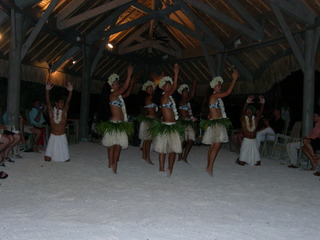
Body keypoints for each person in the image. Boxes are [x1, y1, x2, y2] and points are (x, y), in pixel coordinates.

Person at [201, 69, 239, 176]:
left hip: (217, 123)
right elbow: (228, 92)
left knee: (214, 146)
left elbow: (212, 110)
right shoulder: (214, 96)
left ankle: (208, 166)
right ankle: (210, 167)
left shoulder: (215, 99)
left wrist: (211, 114)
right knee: (216, 146)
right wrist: (234, 80)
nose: (220, 87)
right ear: (213, 87)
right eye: (218, 86)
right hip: (216, 125)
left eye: (220, 86)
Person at [97, 66, 135, 174]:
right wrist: (128, 75)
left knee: (115, 145)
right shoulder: (112, 95)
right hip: (114, 123)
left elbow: (126, 93)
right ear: (111, 85)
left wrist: (132, 84)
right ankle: (114, 164)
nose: (118, 85)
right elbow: (124, 88)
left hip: (120, 123)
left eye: (118, 83)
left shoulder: (118, 97)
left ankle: (111, 163)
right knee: (115, 145)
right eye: (116, 83)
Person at [149, 64, 183, 177]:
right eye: (166, 86)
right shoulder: (163, 97)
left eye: (169, 86)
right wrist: (176, 74)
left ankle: (170, 168)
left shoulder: (170, 98)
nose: (168, 88)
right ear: (163, 88)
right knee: (163, 149)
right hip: (165, 125)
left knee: (173, 149)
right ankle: (161, 168)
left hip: (173, 125)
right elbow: (175, 88)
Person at [44, 81, 73, 162]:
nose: (62, 104)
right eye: (60, 102)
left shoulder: (64, 112)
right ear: (56, 103)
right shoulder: (51, 112)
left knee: (66, 160)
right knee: (47, 159)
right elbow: (48, 102)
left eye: (63, 103)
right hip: (53, 136)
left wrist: (70, 92)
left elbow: (68, 102)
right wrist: (47, 91)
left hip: (62, 136)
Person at [236, 95, 265, 166]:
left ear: (253, 112)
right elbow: (243, 112)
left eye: (250, 110)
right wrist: (246, 103)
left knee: (258, 163)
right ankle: (241, 159)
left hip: (253, 141)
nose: (248, 112)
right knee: (241, 163)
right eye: (247, 110)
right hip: (246, 141)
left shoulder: (255, 120)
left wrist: (263, 104)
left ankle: (246, 158)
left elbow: (260, 112)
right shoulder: (243, 120)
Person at [177, 79, 197, 163]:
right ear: (181, 93)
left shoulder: (187, 100)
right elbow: (185, 114)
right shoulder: (181, 102)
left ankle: (184, 157)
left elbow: (192, 95)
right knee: (183, 141)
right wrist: (192, 118)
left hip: (189, 122)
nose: (186, 93)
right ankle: (180, 157)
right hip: (184, 122)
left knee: (190, 140)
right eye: (184, 92)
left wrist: (194, 85)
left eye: (186, 92)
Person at [138, 80, 158, 164]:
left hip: (151, 120)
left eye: (151, 88)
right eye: (149, 88)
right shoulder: (148, 98)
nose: (150, 90)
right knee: (148, 140)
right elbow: (157, 94)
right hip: (148, 120)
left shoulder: (151, 98)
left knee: (147, 140)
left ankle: (144, 156)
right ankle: (147, 157)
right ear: (145, 90)